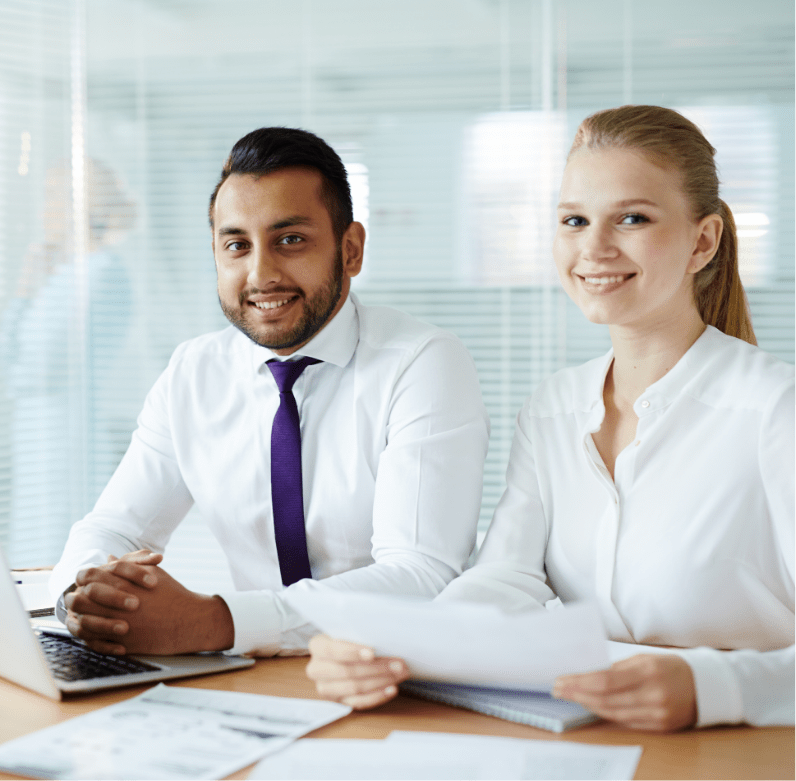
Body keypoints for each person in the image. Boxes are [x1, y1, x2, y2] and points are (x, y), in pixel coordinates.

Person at [306, 105, 795, 731]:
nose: (593, 247)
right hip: (592, 745)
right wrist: (391, 647)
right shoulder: (554, 406)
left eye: (633, 218)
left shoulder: (774, 409)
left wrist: (715, 686)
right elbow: (506, 576)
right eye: (574, 220)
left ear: (703, 242)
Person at [48, 127, 490, 657]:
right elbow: (112, 528)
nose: (261, 274)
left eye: (290, 240)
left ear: (350, 250)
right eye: (237, 245)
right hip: (252, 674)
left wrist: (216, 623)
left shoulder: (422, 362)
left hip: (388, 671)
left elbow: (422, 575)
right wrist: (82, 595)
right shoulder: (194, 371)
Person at [0, 158, 135, 568]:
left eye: (54, 197)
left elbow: (35, 369)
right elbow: (11, 359)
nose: (44, 210)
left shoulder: (103, 274)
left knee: (59, 544)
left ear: (84, 206)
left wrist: (20, 368)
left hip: (68, 432)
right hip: (37, 428)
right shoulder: (60, 274)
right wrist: (26, 290)